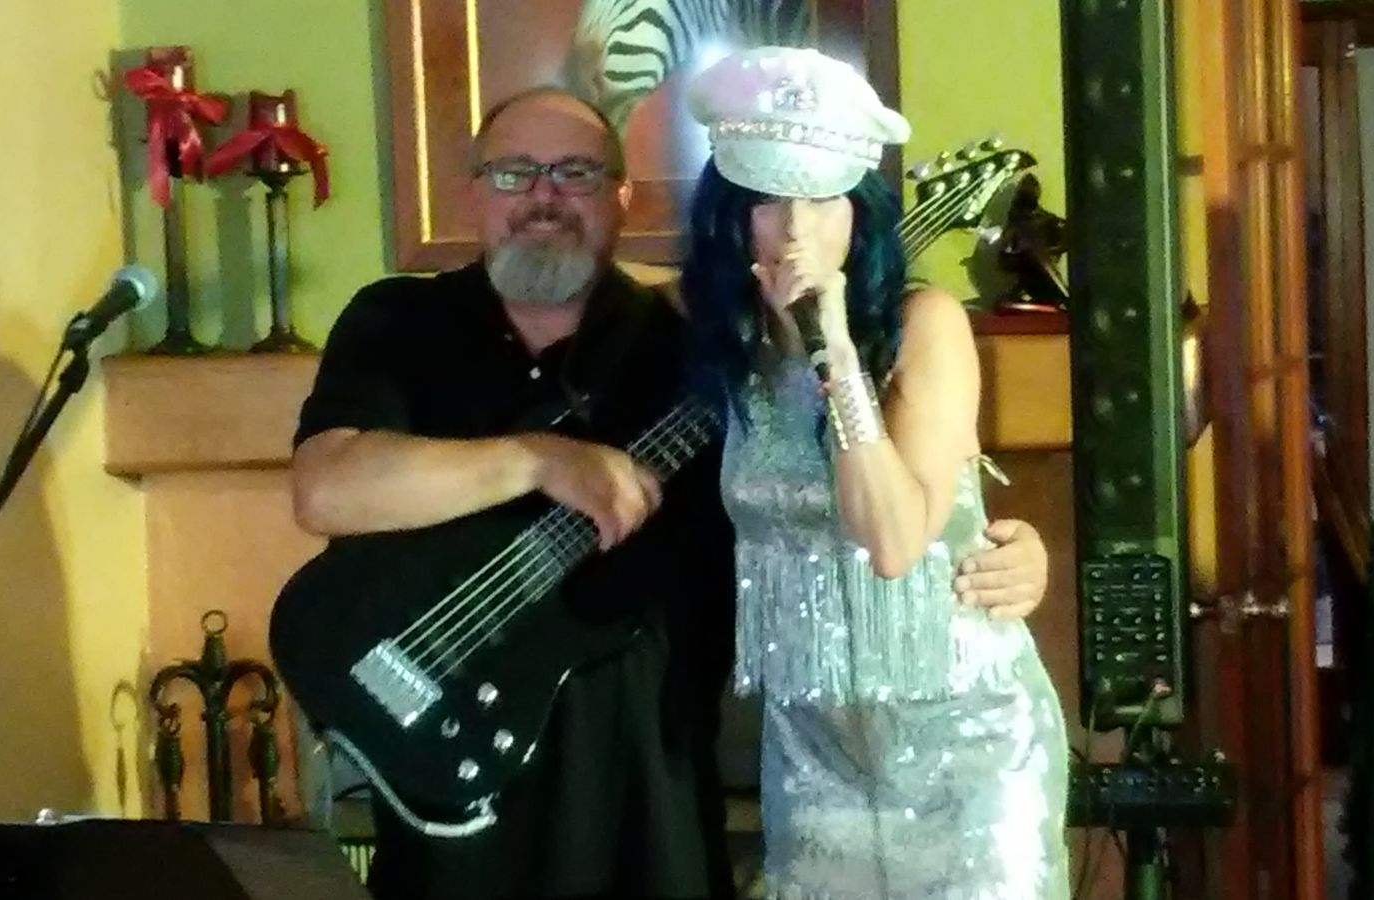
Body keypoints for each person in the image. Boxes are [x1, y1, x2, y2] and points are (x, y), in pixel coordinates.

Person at [288, 85, 1054, 900]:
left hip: (652, 776)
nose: (544, 196)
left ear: (622, 196)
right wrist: (537, 461)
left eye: (576, 173)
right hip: (451, 769)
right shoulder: (398, 319)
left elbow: (850, 474)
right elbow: (326, 491)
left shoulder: (701, 339)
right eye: (514, 173)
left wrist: (1003, 550)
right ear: (472, 190)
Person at [681, 47, 1071, 898]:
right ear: (730, 215)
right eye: (768, 199)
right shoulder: (720, 345)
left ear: (859, 210)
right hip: (813, 753)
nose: (796, 229)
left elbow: (892, 542)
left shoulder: (922, 324)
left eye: (823, 198)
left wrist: (836, 348)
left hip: (967, 744)